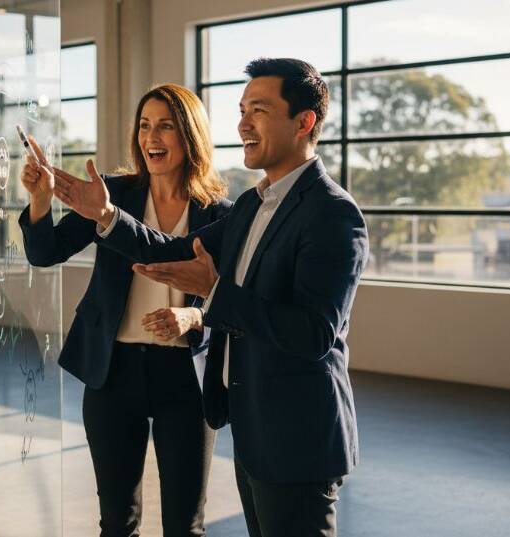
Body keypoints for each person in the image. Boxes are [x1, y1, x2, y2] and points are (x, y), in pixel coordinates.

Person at [52, 58, 369, 537]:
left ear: (304, 121)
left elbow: (313, 334)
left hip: (297, 438)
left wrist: (211, 295)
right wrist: (107, 216)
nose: (243, 124)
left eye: (259, 110)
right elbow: (173, 250)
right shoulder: (254, 205)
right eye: (242, 111)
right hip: (255, 430)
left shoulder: (332, 213)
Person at [18, 83, 232, 537]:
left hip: (185, 378)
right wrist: (41, 200)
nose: (151, 137)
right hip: (113, 371)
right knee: (117, 522)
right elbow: (45, 253)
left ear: (190, 135)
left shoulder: (219, 214)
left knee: (186, 526)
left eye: (166, 126)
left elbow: (228, 296)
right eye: (144, 125)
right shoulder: (111, 193)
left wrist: (194, 317)